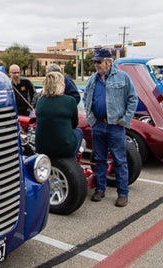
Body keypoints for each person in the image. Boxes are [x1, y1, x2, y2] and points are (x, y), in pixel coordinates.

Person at [82, 48, 138, 207]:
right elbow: (86, 98)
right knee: (99, 159)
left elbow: (133, 99)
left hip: (115, 126)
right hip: (98, 125)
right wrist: (91, 119)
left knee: (120, 160)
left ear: (109, 62)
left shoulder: (122, 77)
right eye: (94, 62)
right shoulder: (92, 79)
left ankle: (123, 193)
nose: (96, 65)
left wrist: (125, 119)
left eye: (98, 62)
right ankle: (100, 189)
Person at [35, 71, 83, 159]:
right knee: (79, 132)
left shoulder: (40, 100)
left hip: (41, 147)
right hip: (64, 147)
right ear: (60, 84)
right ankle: (73, 158)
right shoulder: (70, 100)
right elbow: (74, 124)